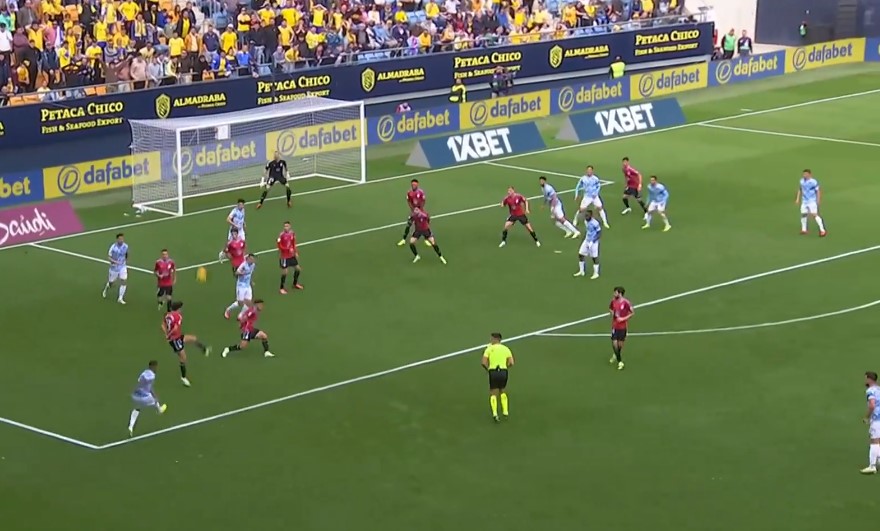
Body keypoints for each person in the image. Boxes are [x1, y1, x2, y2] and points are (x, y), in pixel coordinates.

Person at [162, 301, 210, 387]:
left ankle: (204, 349)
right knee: (183, 358)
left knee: (193, 338)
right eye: (181, 308)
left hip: (178, 336)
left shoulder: (167, 314)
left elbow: (162, 325)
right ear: (178, 308)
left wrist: (166, 333)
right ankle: (183, 377)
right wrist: (169, 336)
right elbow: (175, 329)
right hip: (175, 340)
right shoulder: (178, 316)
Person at [128, 360, 167, 437]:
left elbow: (139, 382)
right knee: (155, 400)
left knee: (137, 408)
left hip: (136, 395)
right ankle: (159, 410)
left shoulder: (144, 373)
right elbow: (150, 388)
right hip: (145, 397)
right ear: (153, 366)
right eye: (156, 367)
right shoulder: (152, 375)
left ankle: (130, 426)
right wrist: (155, 396)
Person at [481, 332, 514, 422]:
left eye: (491, 338)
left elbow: (483, 362)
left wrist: (488, 369)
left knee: (493, 392)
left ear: (495, 339)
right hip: (503, 371)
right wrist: (506, 368)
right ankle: (505, 411)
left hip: (493, 371)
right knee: (503, 390)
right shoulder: (506, 349)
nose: (490, 340)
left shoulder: (489, 349)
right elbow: (511, 362)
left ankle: (495, 413)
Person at [795, 169, 826, 237]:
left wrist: (818, 200)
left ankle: (823, 230)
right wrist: (797, 199)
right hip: (804, 201)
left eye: (805, 174)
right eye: (803, 174)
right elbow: (800, 189)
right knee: (803, 214)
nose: (804, 175)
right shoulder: (802, 181)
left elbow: (818, 191)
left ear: (809, 174)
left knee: (814, 215)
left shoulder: (813, 182)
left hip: (812, 201)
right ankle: (804, 229)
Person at [609, 286, 633, 371]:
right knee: (614, 343)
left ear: (620, 293)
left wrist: (623, 318)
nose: (614, 294)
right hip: (615, 326)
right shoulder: (613, 301)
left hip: (623, 327)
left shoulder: (626, 303)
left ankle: (616, 355)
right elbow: (610, 309)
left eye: (615, 292)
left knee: (620, 345)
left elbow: (632, 313)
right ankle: (620, 362)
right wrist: (613, 314)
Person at [225, 253, 256, 320]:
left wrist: (251, 282)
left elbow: (250, 274)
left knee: (248, 302)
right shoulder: (243, 265)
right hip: (241, 286)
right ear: (248, 259)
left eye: (253, 259)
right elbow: (236, 273)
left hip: (247, 286)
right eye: (251, 259)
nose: (252, 260)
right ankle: (228, 310)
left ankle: (241, 315)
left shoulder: (253, 265)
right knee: (240, 303)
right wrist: (242, 273)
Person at [861, 371, 880, 474]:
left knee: (874, 441)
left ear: (869, 379)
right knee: (879, 441)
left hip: (877, 419)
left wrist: (867, 417)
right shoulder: (879, 389)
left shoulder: (871, 391)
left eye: (865, 378)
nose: (865, 380)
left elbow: (872, 405)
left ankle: (872, 466)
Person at [398, 178, 426, 246]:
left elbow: (423, 201)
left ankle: (426, 239)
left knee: (423, 225)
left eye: (415, 184)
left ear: (417, 185)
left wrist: (421, 210)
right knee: (409, 224)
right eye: (412, 184)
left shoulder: (421, 192)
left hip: (420, 210)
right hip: (413, 211)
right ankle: (404, 239)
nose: (413, 185)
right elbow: (409, 201)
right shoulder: (409, 192)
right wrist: (413, 209)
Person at [574, 210, 601, 279]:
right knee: (580, 254)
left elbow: (599, 233)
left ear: (591, 216)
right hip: (587, 240)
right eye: (585, 215)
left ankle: (596, 273)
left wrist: (593, 241)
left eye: (587, 215)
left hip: (594, 242)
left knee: (594, 257)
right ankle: (582, 271)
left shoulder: (595, 223)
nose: (586, 217)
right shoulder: (586, 221)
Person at [277, 221, 303, 294]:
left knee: (298, 269)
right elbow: (279, 246)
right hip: (284, 256)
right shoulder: (281, 235)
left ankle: (295, 284)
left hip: (291, 255)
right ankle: (281, 288)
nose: (286, 227)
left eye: (287, 226)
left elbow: (294, 243)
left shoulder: (292, 233)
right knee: (285, 272)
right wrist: (287, 249)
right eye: (285, 226)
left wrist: (295, 251)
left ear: (290, 226)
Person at [103, 233, 129, 304]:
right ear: (117, 239)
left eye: (122, 239)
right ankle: (106, 288)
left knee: (124, 281)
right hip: (114, 268)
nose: (121, 240)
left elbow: (126, 254)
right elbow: (108, 257)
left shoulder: (126, 246)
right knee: (111, 283)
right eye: (120, 239)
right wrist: (115, 261)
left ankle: (120, 298)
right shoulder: (113, 247)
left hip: (123, 266)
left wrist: (125, 260)